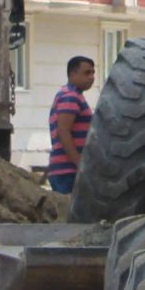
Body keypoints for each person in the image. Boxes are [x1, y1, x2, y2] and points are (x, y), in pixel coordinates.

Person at [45, 55, 96, 196]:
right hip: (67, 171)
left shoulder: (74, 95)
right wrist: (79, 164)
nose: (92, 77)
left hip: (67, 170)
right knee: (71, 216)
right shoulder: (70, 96)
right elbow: (63, 131)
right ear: (73, 74)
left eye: (93, 72)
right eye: (87, 73)